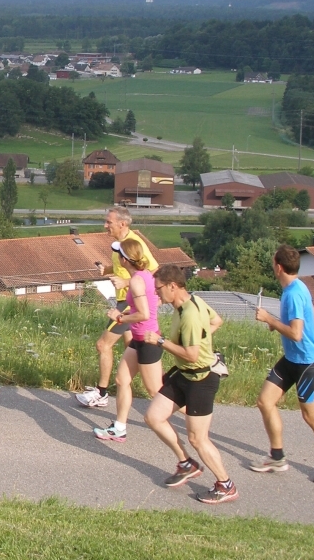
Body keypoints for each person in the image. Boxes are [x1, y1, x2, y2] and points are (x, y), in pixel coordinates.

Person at [143, 265, 238, 504]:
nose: (157, 294)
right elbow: (217, 320)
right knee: (154, 417)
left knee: (198, 439)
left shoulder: (191, 315)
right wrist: (203, 336)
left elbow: (192, 355)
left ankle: (225, 485)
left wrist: (161, 341)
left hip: (201, 379)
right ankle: (186, 463)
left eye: (159, 289)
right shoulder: (189, 303)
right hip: (184, 375)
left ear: (173, 286)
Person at [252, 244, 314, 486]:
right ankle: (277, 457)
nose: (272, 266)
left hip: (307, 363)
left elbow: (295, 333)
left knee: (311, 416)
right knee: (265, 401)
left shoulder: (293, 293)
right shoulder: (297, 287)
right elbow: (312, 314)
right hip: (292, 359)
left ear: (279, 267)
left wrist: (270, 320)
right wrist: (281, 323)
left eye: (273, 263)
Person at [77, 207, 158, 408]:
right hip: (126, 300)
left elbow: (152, 270)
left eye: (108, 222)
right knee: (132, 349)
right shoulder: (119, 246)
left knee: (103, 345)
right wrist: (107, 269)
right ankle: (132, 389)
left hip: (129, 305)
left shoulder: (134, 244)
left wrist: (126, 282)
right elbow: (123, 265)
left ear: (122, 224)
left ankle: (102, 392)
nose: (105, 225)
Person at [93, 238, 163, 443]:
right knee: (122, 380)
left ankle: (195, 413)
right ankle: (119, 428)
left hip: (147, 340)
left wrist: (120, 317)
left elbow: (143, 313)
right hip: (139, 339)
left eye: (119, 254)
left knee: (156, 390)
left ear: (125, 259)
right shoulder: (143, 275)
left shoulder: (137, 281)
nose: (117, 257)